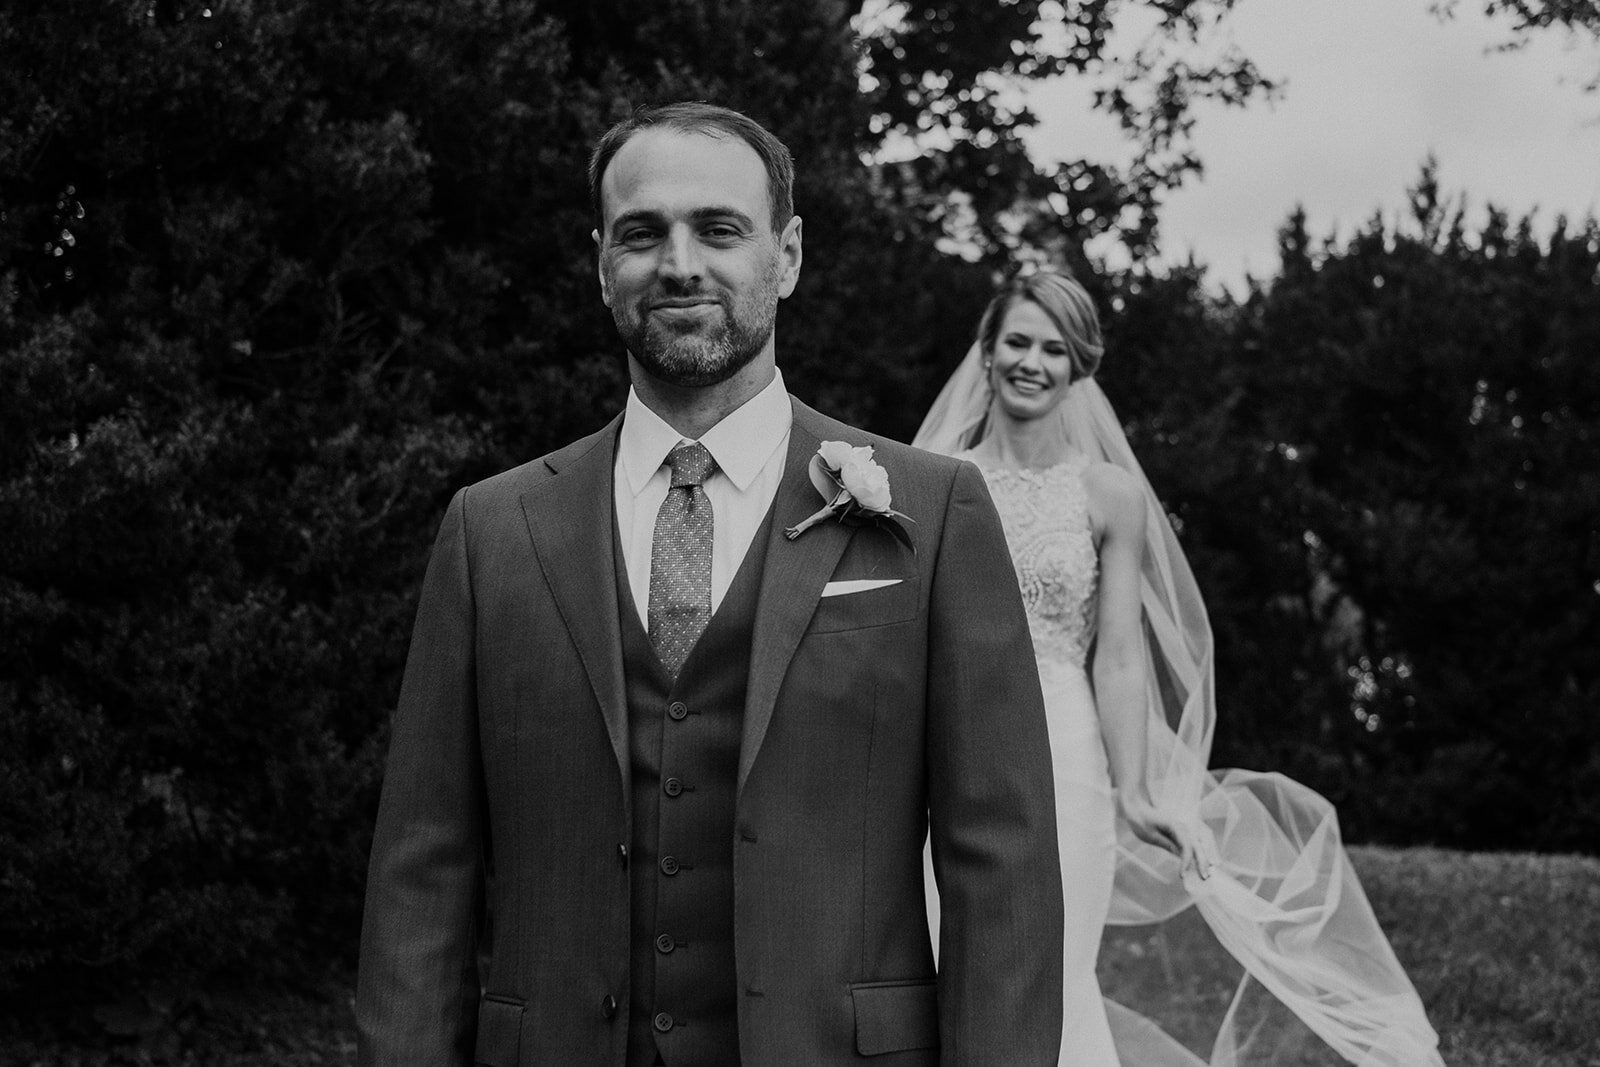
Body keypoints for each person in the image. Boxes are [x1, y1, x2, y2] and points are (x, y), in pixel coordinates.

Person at [355, 102, 1066, 1067]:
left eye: (720, 229)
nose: (680, 263)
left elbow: (1003, 864)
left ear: (788, 254)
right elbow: (421, 870)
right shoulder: (491, 530)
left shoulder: (934, 514)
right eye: (643, 232)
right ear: (601, 261)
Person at [914, 269, 1447, 1067]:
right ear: (986, 352)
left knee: (1055, 969)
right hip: (952, 745)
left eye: (1054, 348)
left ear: (1078, 366)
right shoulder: (935, 478)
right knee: (942, 956)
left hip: (1067, 750)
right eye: (1018, 341)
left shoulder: (1111, 495)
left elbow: (1120, 652)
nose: (1033, 361)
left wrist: (1137, 788)